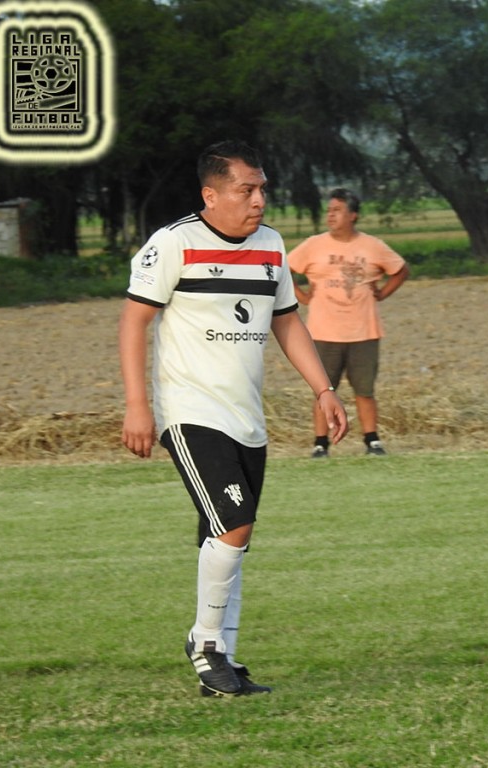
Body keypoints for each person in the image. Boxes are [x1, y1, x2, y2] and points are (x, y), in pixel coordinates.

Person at [119, 140, 349, 697]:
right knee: (234, 523)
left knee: (228, 538)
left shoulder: (271, 245)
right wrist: (137, 405)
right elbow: (133, 323)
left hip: (246, 415)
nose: (259, 200)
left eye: (262, 188)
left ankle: (224, 659)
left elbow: (287, 322)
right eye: (247, 190)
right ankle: (204, 644)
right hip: (189, 410)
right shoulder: (173, 243)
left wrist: (323, 389)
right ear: (211, 195)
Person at [287, 188, 410, 457]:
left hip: (363, 331)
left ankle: (372, 441)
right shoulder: (313, 245)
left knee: (364, 389)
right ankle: (321, 443)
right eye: (329, 210)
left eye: (337, 210)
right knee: (324, 390)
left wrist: (382, 293)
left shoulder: (373, 246)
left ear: (353, 215)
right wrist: (302, 296)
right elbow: (283, 269)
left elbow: (401, 270)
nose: (330, 215)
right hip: (323, 332)